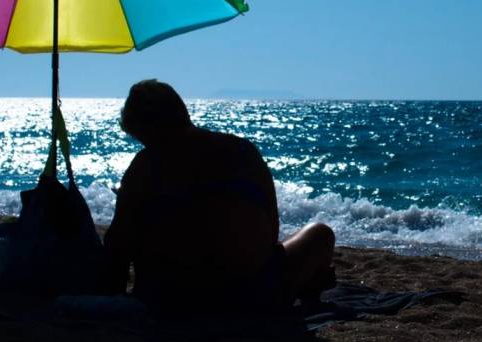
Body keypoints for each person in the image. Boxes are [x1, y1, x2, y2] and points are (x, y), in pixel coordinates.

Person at [102, 79, 335, 313]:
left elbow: (118, 245)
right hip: (253, 297)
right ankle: (309, 296)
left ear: (141, 128)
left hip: (170, 299)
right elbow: (271, 230)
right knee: (319, 233)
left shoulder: (144, 166)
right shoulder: (242, 151)